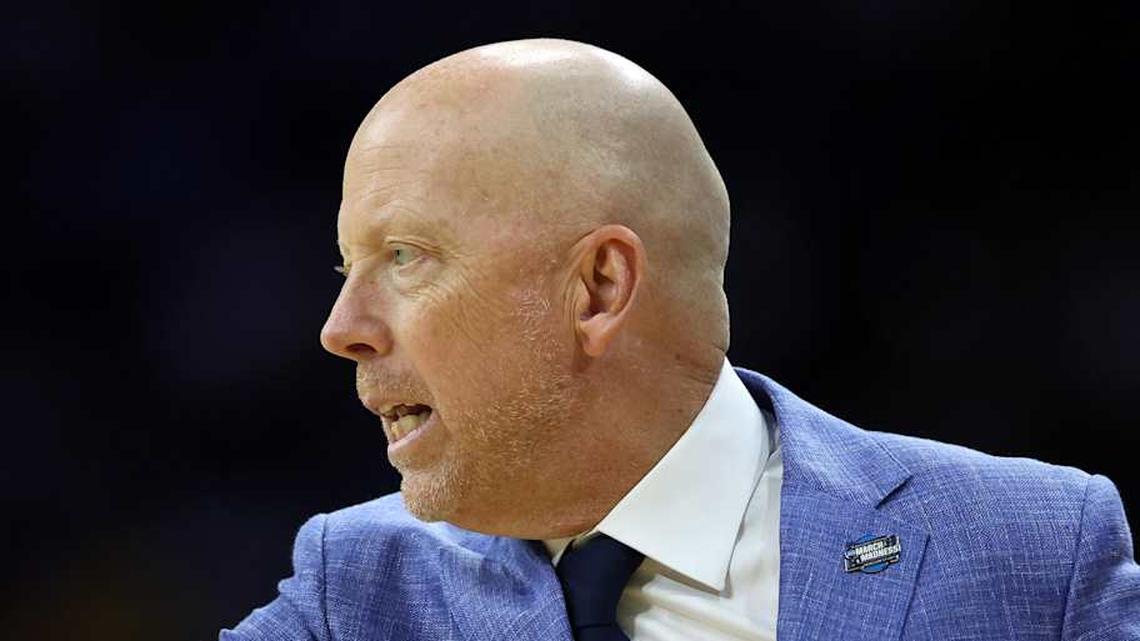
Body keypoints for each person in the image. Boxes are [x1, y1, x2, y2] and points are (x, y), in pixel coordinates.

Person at [220, 39, 1138, 641]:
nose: (343, 330)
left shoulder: (1032, 551)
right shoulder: (359, 591)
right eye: (350, 270)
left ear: (600, 286)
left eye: (407, 256)